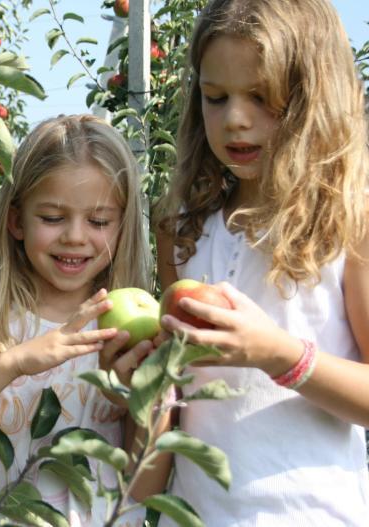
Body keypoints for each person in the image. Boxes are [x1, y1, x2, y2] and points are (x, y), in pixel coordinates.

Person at [154, 0, 369, 525]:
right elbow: (175, 396)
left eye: (261, 97)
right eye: (214, 97)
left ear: (313, 99)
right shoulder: (180, 229)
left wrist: (280, 355)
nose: (235, 119)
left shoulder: (349, 225)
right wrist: (148, 372)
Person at [0, 114, 165, 526]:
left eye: (98, 221)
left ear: (121, 225)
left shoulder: (121, 329)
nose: (75, 236)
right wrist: (13, 362)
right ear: (17, 221)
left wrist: (137, 399)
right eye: (53, 218)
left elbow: (142, 489)